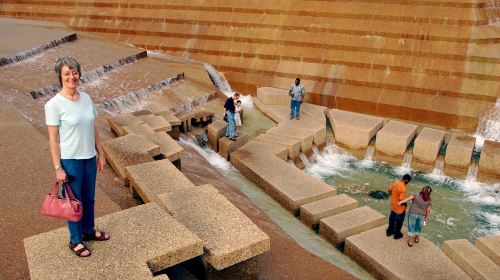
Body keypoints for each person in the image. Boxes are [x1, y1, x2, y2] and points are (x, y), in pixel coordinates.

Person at [45, 57, 110, 257]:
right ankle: (75, 241)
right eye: (67, 73)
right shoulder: (54, 105)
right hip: (71, 161)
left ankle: (88, 230)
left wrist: (101, 153)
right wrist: (58, 167)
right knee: (74, 202)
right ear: (60, 77)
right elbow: (53, 140)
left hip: (89, 157)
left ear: (79, 74)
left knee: (89, 198)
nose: (72, 77)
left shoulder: (86, 98)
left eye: (75, 73)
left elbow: (92, 128)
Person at [386, 174, 412, 239]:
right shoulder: (403, 188)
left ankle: (389, 232)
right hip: (399, 209)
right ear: (406, 180)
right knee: (399, 222)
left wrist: (392, 196)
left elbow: (389, 189)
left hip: (393, 206)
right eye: (408, 182)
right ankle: (397, 234)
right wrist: (405, 204)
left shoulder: (396, 182)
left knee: (391, 220)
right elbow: (401, 199)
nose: (407, 183)